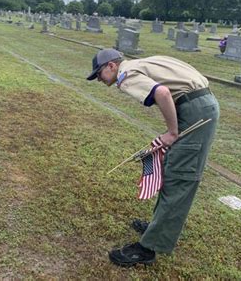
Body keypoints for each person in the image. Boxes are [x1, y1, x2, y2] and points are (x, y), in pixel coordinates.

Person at [87, 49, 219, 267]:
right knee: (172, 166)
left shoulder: (125, 75)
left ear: (111, 65)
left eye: (99, 74)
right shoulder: (140, 63)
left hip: (196, 110)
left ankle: (149, 248)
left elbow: (163, 93)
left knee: (180, 176)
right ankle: (158, 227)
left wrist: (172, 132)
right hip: (198, 104)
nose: (99, 79)